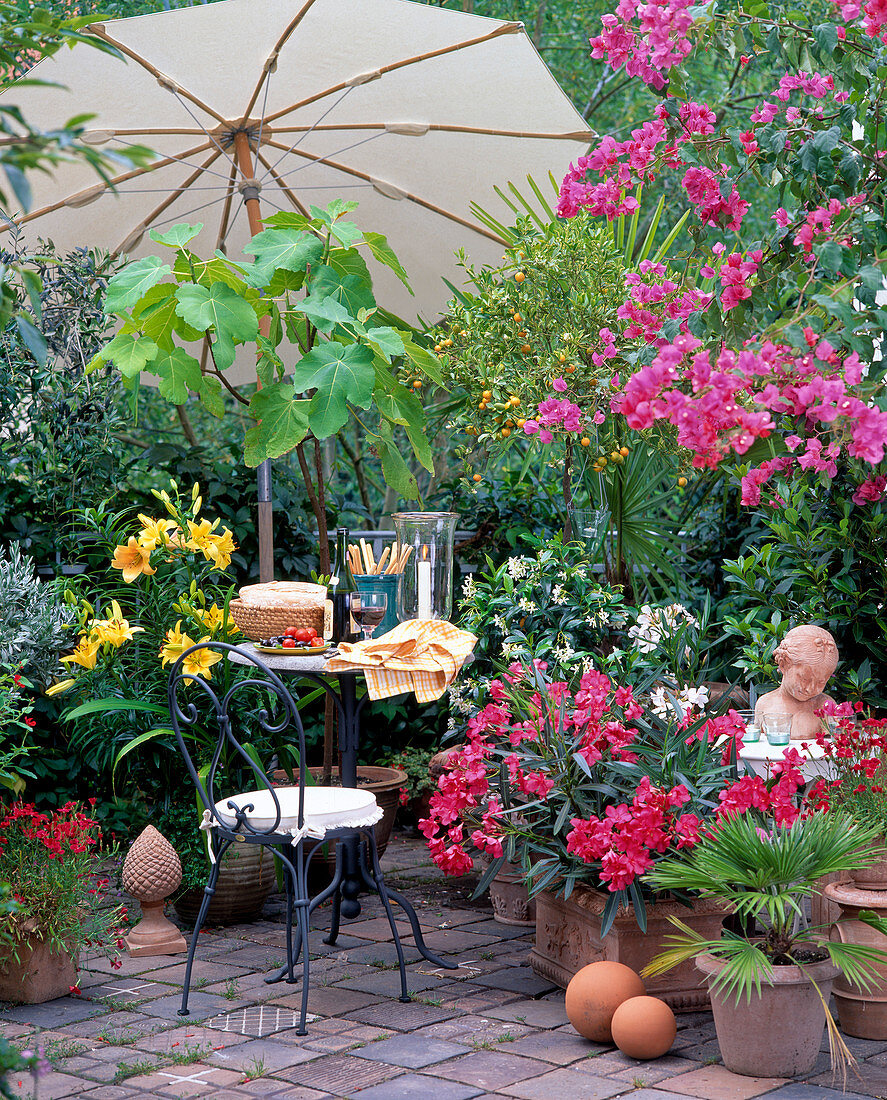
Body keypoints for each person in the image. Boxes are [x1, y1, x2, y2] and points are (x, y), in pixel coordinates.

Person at [753, 625, 838, 741]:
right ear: (783, 665)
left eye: (821, 682)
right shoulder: (765, 704)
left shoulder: (826, 706)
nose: (810, 688)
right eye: (804, 679)